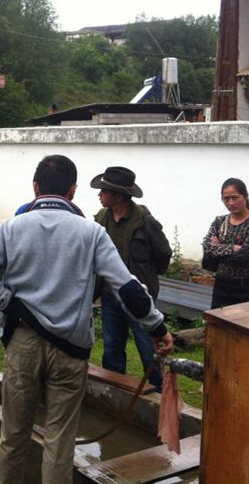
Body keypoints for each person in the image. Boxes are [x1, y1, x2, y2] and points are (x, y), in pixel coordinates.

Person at [0, 155, 173, 484]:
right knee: (60, 441)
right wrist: (157, 327)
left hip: (22, 343)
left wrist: (9, 304)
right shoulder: (92, 232)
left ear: (36, 188)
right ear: (73, 190)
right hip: (71, 350)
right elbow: (128, 288)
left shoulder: (12, 227)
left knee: (13, 437)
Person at [91, 166, 172, 393]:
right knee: (112, 348)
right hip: (110, 296)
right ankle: (113, 393)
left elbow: (163, 253)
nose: (99, 195)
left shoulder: (145, 221)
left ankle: (159, 395)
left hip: (137, 297)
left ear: (118, 196)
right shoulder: (101, 219)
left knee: (148, 348)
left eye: (104, 191)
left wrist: (148, 277)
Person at [202, 178, 249, 308]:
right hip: (221, 284)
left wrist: (218, 248)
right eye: (226, 199)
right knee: (217, 319)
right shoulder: (220, 221)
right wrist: (232, 248)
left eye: (235, 197)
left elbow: (244, 256)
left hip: (245, 286)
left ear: (245, 196)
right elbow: (206, 247)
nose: (231, 203)